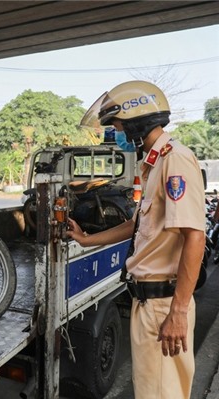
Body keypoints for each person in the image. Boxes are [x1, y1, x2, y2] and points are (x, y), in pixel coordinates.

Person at [69, 80, 206, 398]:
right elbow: (137, 225)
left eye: (115, 125)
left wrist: (178, 311)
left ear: (135, 121)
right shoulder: (155, 164)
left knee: (159, 393)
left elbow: (194, 237)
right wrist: (87, 240)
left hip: (162, 304)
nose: (113, 133)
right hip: (150, 302)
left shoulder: (175, 160)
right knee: (154, 389)